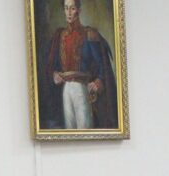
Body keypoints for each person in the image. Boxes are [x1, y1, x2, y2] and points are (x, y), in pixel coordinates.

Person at [42, 0, 119, 130]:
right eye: (66, 8)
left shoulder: (89, 34)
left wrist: (97, 82)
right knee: (69, 130)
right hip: (65, 89)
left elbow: (103, 66)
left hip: (82, 89)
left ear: (79, 10)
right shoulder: (59, 36)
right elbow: (51, 66)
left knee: (85, 129)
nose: (69, 12)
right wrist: (54, 74)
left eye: (72, 8)